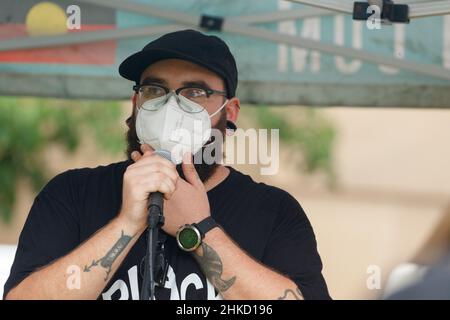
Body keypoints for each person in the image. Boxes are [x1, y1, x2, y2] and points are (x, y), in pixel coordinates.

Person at [3, 29, 330, 300]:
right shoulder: (71, 194)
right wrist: (128, 223)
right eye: (154, 89)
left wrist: (200, 229)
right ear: (135, 104)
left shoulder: (274, 211)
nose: (171, 105)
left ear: (230, 112)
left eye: (195, 92)